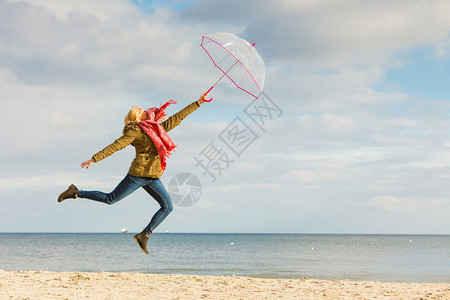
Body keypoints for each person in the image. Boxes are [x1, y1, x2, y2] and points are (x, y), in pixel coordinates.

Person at [58, 93, 209, 254]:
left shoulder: (157, 128)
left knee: (167, 207)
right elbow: (116, 145)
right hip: (137, 175)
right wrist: (94, 159)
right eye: (143, 111)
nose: (147, 112)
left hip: (153, 177)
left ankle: (144, 234)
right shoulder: (135, 131)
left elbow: (178, 117)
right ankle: (76, 192)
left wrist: (198, 103)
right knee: (110, 199)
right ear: (138, 117)